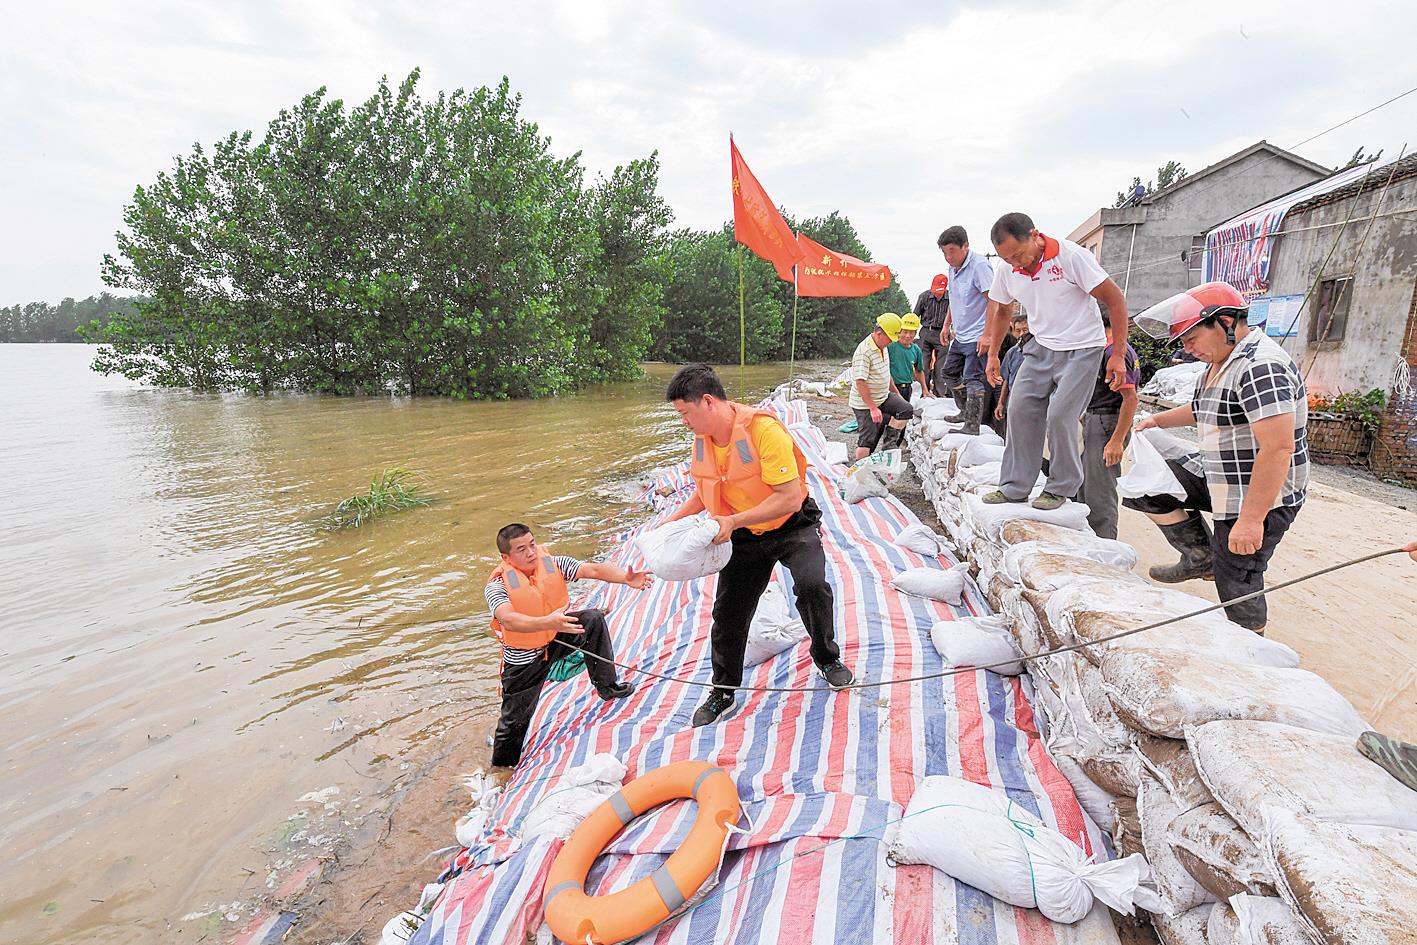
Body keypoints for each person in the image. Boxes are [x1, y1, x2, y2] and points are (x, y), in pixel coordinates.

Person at [662, 364, 853, 726]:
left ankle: (827, 658)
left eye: (685, 413)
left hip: (790, 525)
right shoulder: (702, 441)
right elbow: (703, 494)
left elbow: (789, 497)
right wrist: (663, 533)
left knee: (812, 586)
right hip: (746, 536)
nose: (684, 422)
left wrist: (732, 521)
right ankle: (723, 690)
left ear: (707, 402)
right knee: (729, 613)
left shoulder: (762, 430)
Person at [1124, 281, 1309, 634]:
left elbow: (1278, 448)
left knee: (1237, 575)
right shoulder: (1221, 363)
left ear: (1225, 322)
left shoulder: (1260, 367)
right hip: (1221, 477)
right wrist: (1157, 420)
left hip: (1260, 494)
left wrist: (1252, 521)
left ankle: (1251, 649)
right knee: (1147, 487)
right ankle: (1199, 555)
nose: (1187, 349)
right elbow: (1202, 409)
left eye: (1191, 339)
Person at [980, 212, 1130, 510]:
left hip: (1083, 348)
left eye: (1018, 254)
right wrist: (994, 353)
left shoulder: (1071, 257)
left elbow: (1115, 300)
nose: (1015, 263)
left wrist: (1119, 355)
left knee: (1060, 415)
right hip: (1041, 345)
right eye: (1007, 259)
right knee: (1020, 409)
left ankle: (1060, 486)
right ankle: (1014, 486)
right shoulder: (1008, 269)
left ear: (1035, 235)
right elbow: (1003, 312)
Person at [486, 524, 644, 768]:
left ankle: (608, 686)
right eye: (521, 549)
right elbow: (507, 618)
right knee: (513, 722)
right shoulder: (497, 585)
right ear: (506, 557)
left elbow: (591, 569)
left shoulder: (551, 563)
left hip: (556, 635)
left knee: (592, 619)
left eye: (531, 544)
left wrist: (625, 578)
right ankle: (502, 769)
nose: (530, 553)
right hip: (525, 659)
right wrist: (546, 622)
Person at [1079, 313, 1140, 539]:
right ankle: (1087, 540)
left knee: (1099, 491)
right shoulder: (1108, 351)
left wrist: (1115, 441)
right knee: (1084, 487)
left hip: (1107, 421)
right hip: (1097, 419)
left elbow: (1131, 399)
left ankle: (1103, 546)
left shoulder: (1114, 353)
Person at [937, 226, 1001, 435]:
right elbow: (953, 298)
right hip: (961, 334)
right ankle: (964, 411)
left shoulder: (980, 266)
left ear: (966, 246)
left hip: (977, 335)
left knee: (972, 378)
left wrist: (988, 334)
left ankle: (973, 425)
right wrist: (947, 325)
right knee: (949, 373)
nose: (948, 257)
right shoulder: (952, 268)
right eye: (945, 252)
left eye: (952, 251)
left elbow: (993, 300)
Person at [849, 313, 915, 459]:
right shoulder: (864, 352)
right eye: (890, 338)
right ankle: (861, 473)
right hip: (864, 404)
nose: (891, 342)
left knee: (906, 409)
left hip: (883, 396)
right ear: (879, 333)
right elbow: (860, 382)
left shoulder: (882, 346)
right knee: (867, 440)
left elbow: (886, 373)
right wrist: (872, 408)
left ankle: (888, 446)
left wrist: (896, 393)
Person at [913, 273, 950, 395]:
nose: (937, 294)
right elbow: (915, 315)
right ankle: (923, 391)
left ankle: (940, 393)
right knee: (923, 363)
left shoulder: (951, 298)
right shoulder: (924, 297)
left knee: (941, 366)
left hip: (942, 333)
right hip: (926, 332)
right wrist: (910, 332)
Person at [993, 312, 1030, 434]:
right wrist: (1001, 403)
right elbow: (1006, 379)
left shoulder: (1043, 352)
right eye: (1017, 330)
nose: (1021, 334)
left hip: (1033, 405)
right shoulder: (1012, 353)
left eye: (1025, 330)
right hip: (1013, 404)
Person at [888, 313, 929, 402]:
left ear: (915, 333)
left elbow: (919, 371)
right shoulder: (890, 347)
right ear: (900, 331)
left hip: (907, 389)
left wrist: (925, 389)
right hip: (891, 387)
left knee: (905, 413)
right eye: (905, 332)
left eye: (911, 332)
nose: (907, 336)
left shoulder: (916, 350)